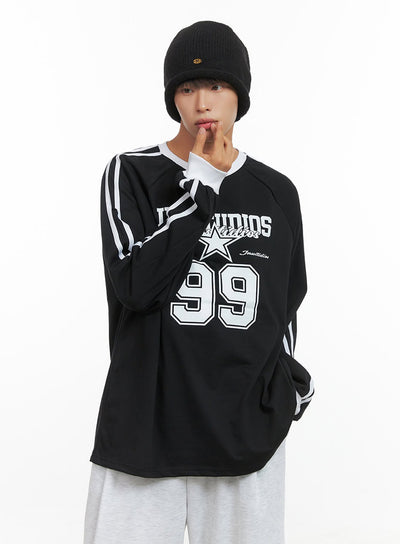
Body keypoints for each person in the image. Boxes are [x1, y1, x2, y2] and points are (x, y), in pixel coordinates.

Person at [83, 20, 315, 544]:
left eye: (216, 85)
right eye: (187, 88)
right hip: (143, 433)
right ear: (173, 98)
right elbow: (135, 286)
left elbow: (286, 302)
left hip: (244, 439)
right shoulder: (131, 174)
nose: (203, 102)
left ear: (240, 94)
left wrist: (288, 388)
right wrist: (203, 184)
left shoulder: (277, 191)